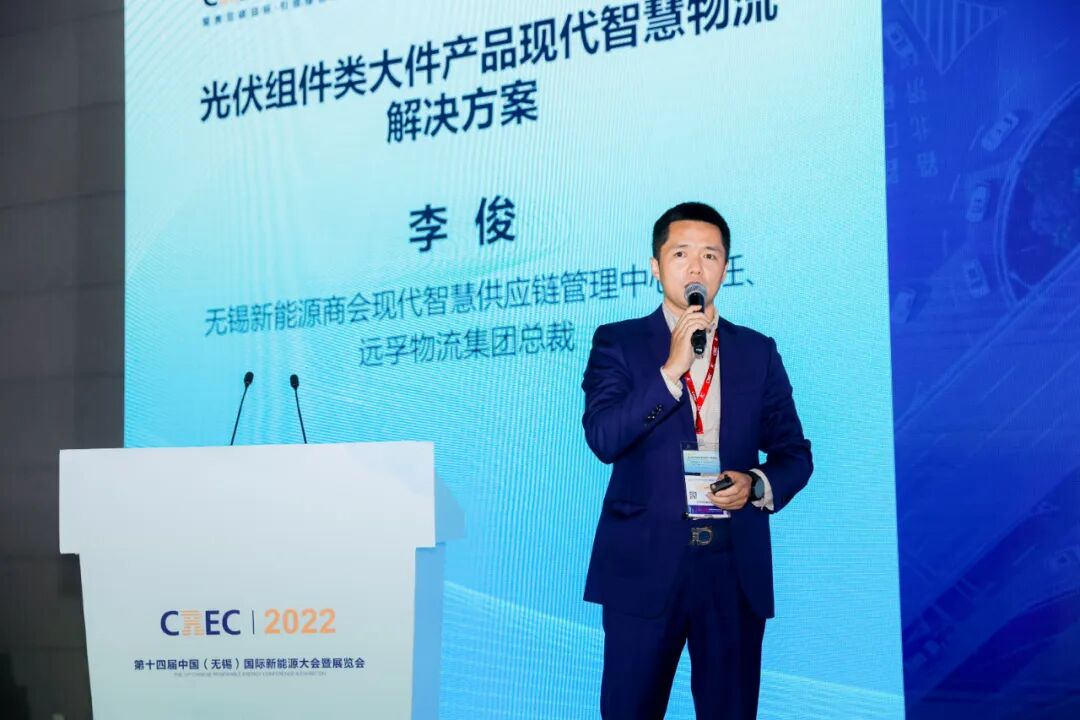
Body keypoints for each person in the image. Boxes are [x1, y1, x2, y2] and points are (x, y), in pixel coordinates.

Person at [581, 201, 813, 719]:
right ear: (655, 265)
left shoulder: (757, 351)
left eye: (710, 255)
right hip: (644, 568)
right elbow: (603, 438)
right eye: (681, 253)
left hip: (732, 570)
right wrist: (670, 371)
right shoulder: (618, 342)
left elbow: (794, 454)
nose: (695, 267)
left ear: (725, 268)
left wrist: (756, 482)